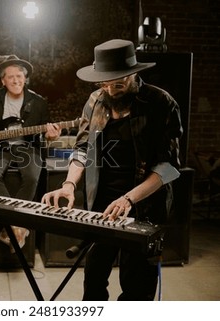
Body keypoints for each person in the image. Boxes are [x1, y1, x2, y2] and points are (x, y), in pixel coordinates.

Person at [42, 39, 183, 300]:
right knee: (93, 279)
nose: (111, 89)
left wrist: (129, 198)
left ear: (133, 74)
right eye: (105, 83)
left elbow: (169, 166)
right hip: (100, 206)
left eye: (118, 83)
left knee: (136, 287)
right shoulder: (96, 100)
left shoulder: (161, 103)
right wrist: (69, 184)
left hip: (144, 206)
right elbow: (82, 148)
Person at [0, 55, 61, 252]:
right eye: (11, 77)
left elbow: (46, 133)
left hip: (28, 148)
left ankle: (11, 223)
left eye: (19, 76)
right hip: (0, 148)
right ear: (3, 80)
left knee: (32, 177)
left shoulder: (38, 102)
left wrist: (52, 135)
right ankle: (16, 225)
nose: (16, 80)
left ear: (25, 78)